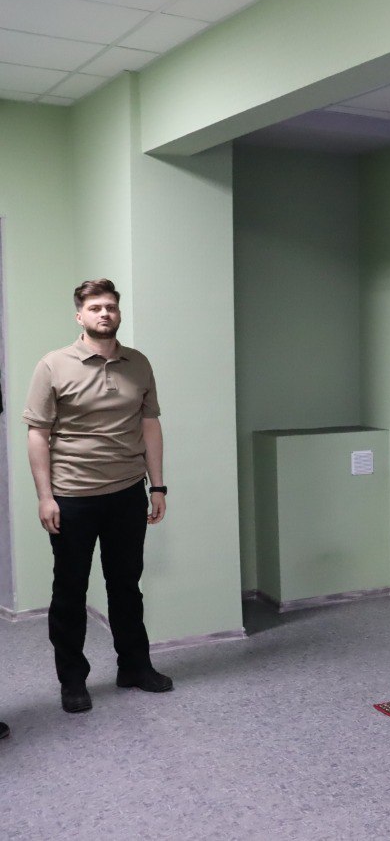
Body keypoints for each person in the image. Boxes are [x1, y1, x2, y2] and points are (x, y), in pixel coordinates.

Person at [23, 279, 172, 715]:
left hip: (127, 492)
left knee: (126, 586)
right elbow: (38, 434)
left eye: (110, 307)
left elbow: (150, 425)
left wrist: (157, 486)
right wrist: (45, 496)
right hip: (72, 496)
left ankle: (134, 667)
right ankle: (72, 680)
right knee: (70, 591)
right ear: (80, 316)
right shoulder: (53, 365)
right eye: (95, 308)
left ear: (118, 313)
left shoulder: (138, 363)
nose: (104, 313)